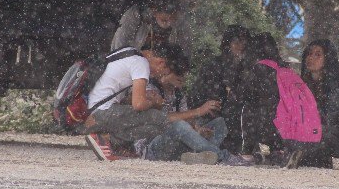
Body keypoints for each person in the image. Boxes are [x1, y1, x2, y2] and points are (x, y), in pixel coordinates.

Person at [87, 43, 247, 166]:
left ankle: (201, 155)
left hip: (173, 138)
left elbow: (185, 122)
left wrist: (197, 129)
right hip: (145, 140)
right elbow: (146, 109)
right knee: (175, 125)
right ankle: (221, 156)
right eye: (174, 75)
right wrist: (156, 102)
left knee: (218, 123)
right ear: (164, 66)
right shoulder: (146, 77)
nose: (180, 81)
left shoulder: (177, 93)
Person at [236, 33, 321, 167]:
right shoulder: (285, 69)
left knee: (248, 108)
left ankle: (247, 154)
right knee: (267, 111)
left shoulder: (259, 67)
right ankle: (280, 154)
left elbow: (244, 96)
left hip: (271, 124)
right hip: (292, 127)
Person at [188, 24, 249, 153]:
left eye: (244, 42)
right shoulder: (214, 66)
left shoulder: (246, 68)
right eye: (236, 42)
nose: (241, 46)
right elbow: (210, 100)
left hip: (235, 118)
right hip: (210, 116)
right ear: (227, 44)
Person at [300, 39, 339, 168]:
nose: (311, 58)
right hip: (314, 130)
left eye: (318, 55)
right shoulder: (303, 83)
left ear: (327, 59)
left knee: (319, 132)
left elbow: (335, 117)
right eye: (309, 54)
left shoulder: (337, 86)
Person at [110, 0, 182, 52]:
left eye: (173, 19)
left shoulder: (179, 24)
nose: (168, 24)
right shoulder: (136, 15)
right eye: (164, 20)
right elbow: (120, 44)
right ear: (154, 11)